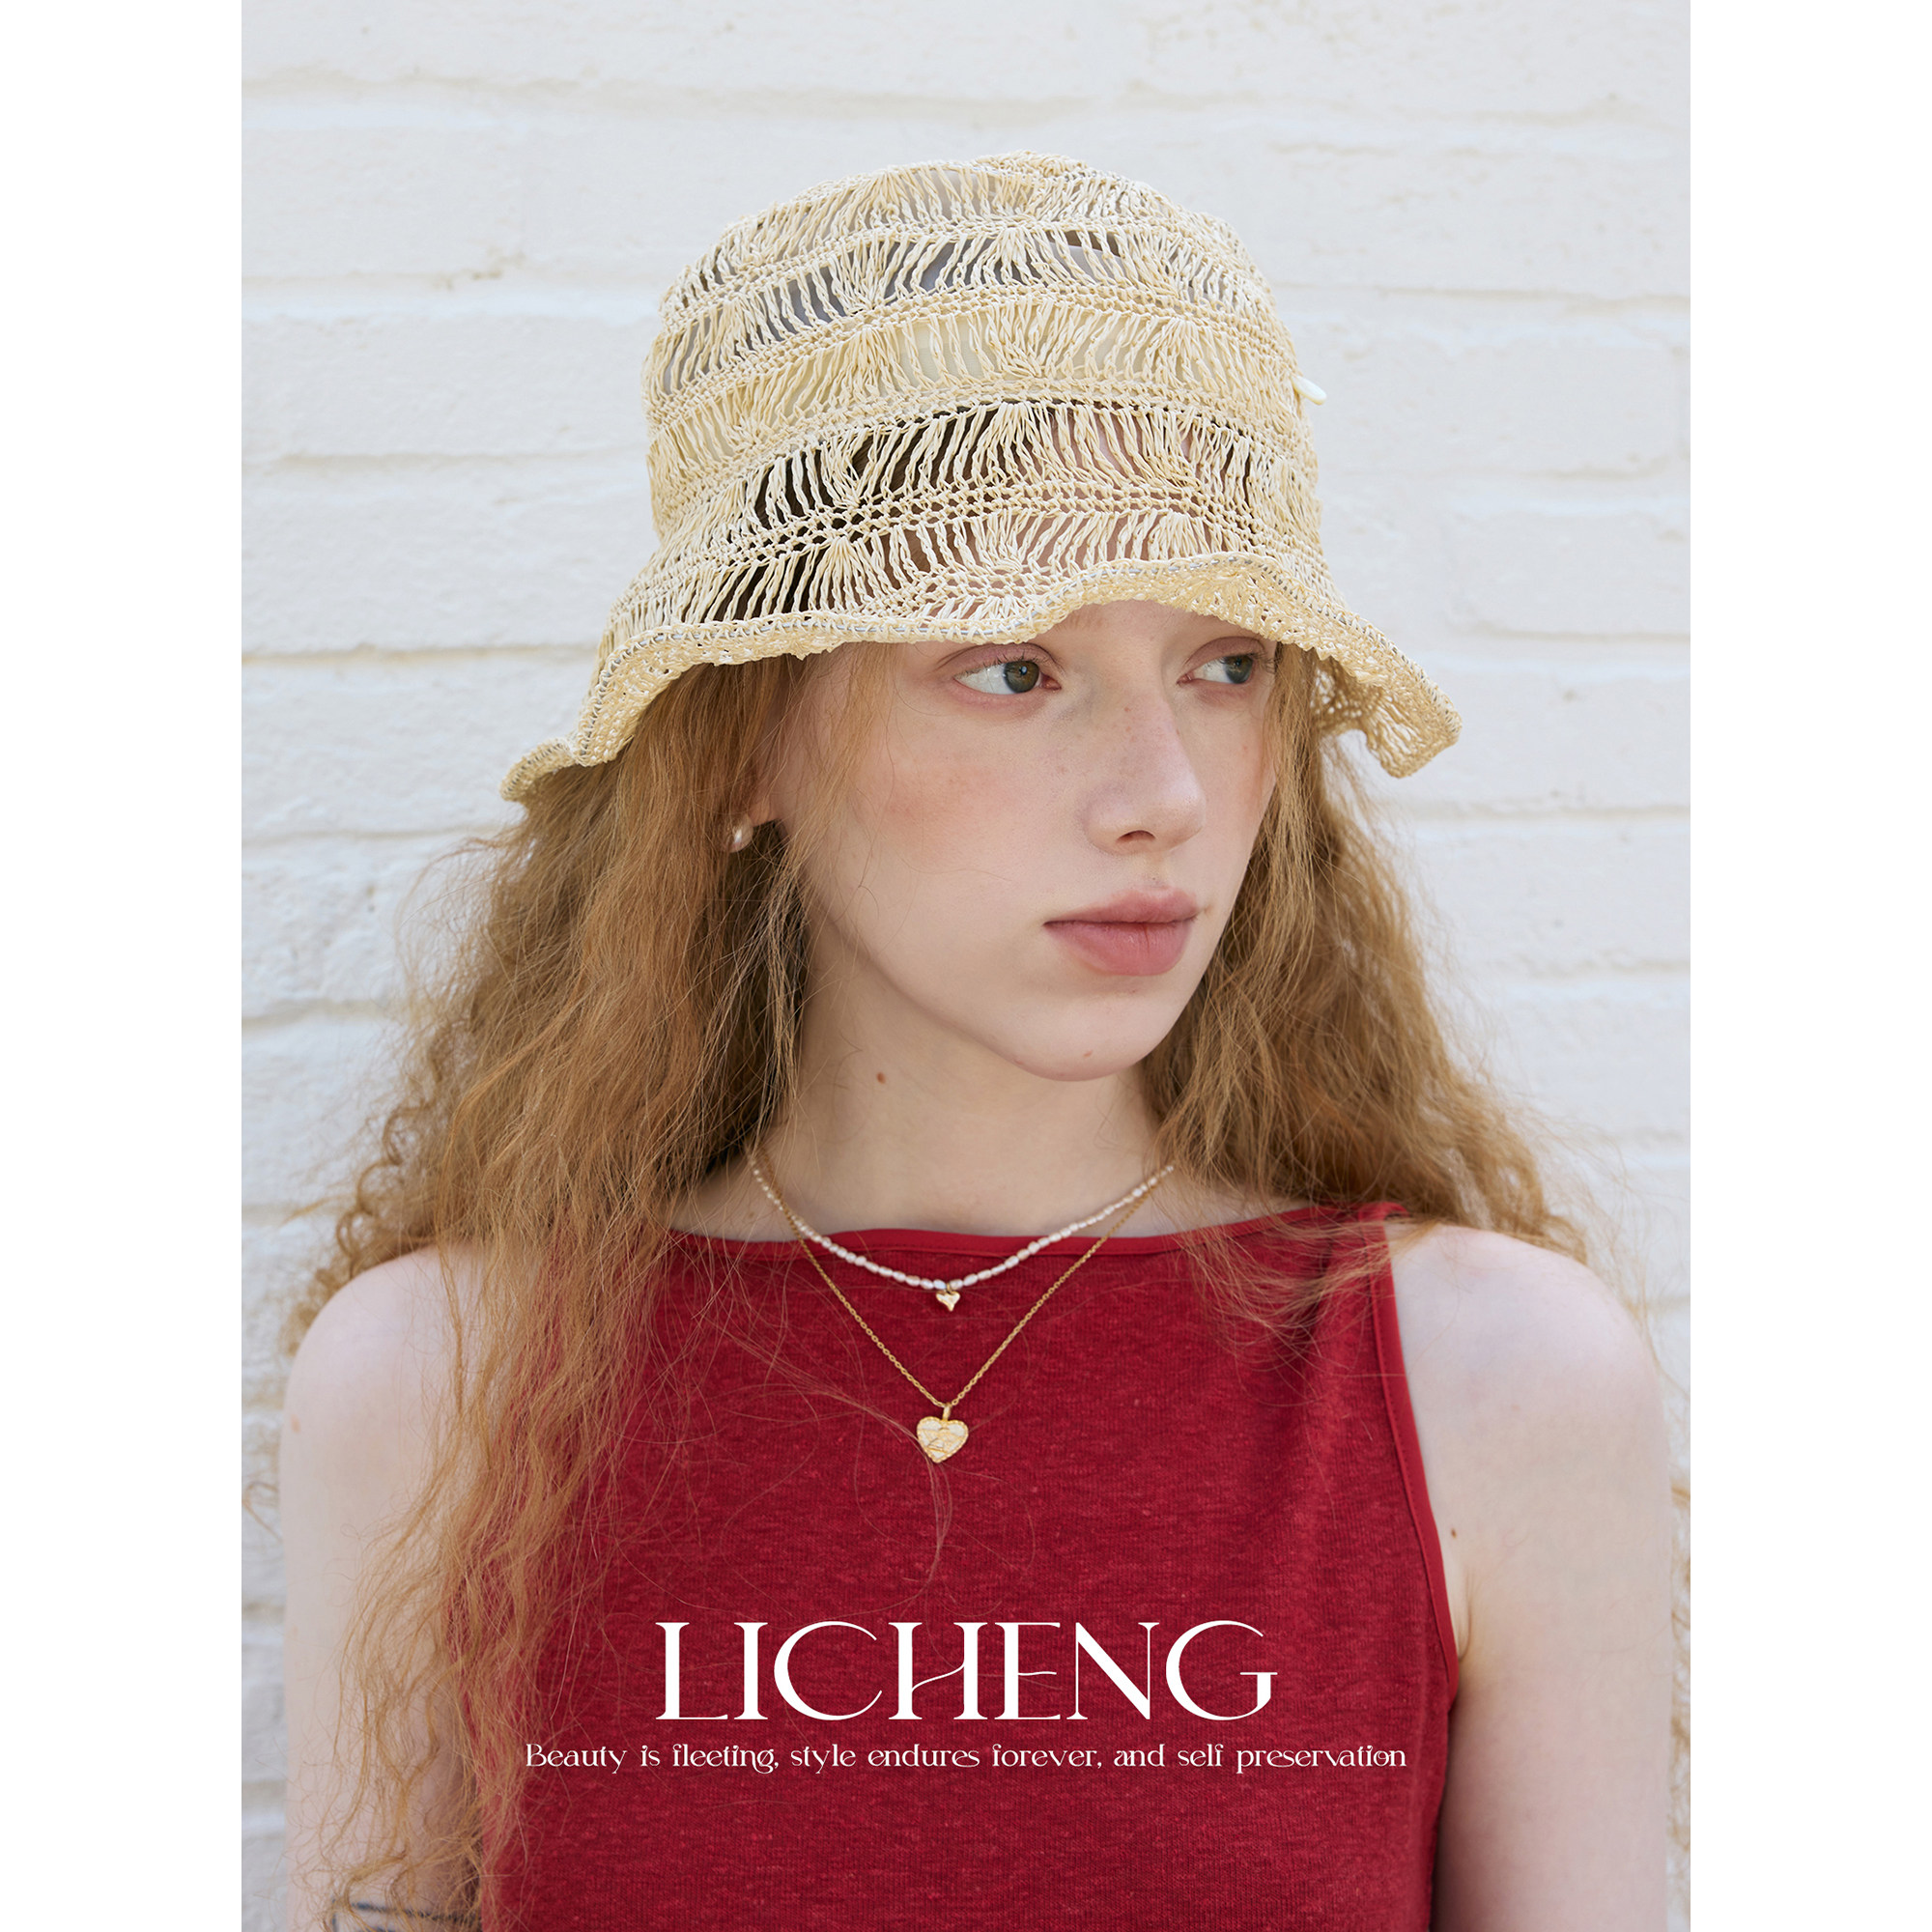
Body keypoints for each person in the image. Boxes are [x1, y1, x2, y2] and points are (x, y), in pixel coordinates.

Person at [279, 153, 1673, 1931]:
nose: (1165, 795)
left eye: (1228, 665)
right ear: (749, 747)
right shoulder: (447, 1387)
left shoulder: (1493, 1386)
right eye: (1016, 669)